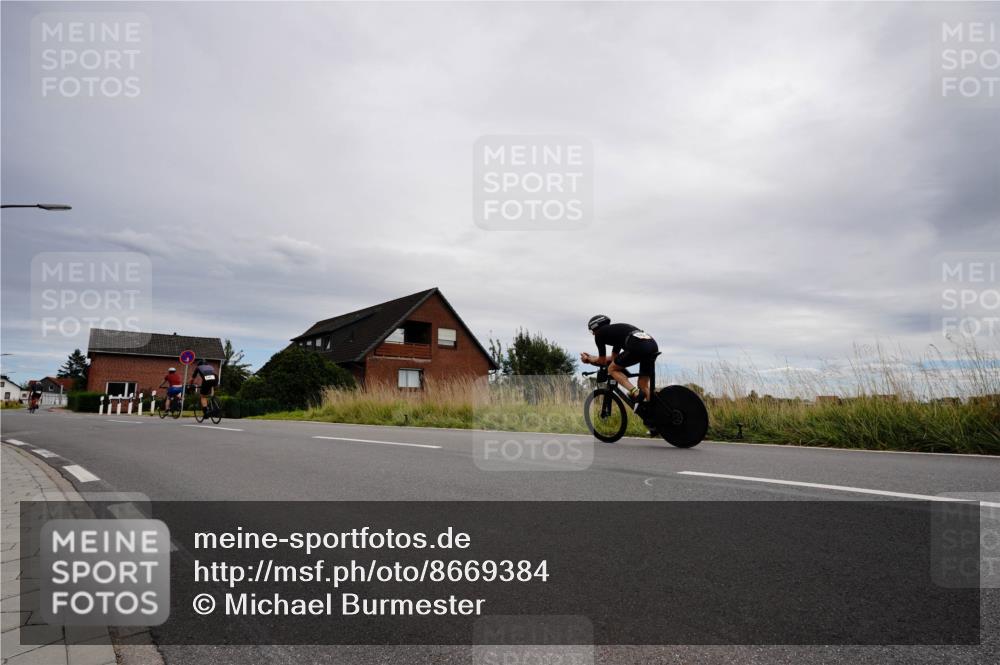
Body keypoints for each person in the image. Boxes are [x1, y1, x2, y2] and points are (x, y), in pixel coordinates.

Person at [580, 314, 659, 410]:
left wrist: (589, 359)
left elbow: (602, 361)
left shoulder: (599, 334)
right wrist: (593, 358)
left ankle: (635, 392)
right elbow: (613, 358)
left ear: (595, 326)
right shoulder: (617, 332)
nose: (592, 334)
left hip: (637, 345)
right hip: (652, 345)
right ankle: (654, 412)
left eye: (591, 331)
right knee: (643, 385)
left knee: (611, 369)